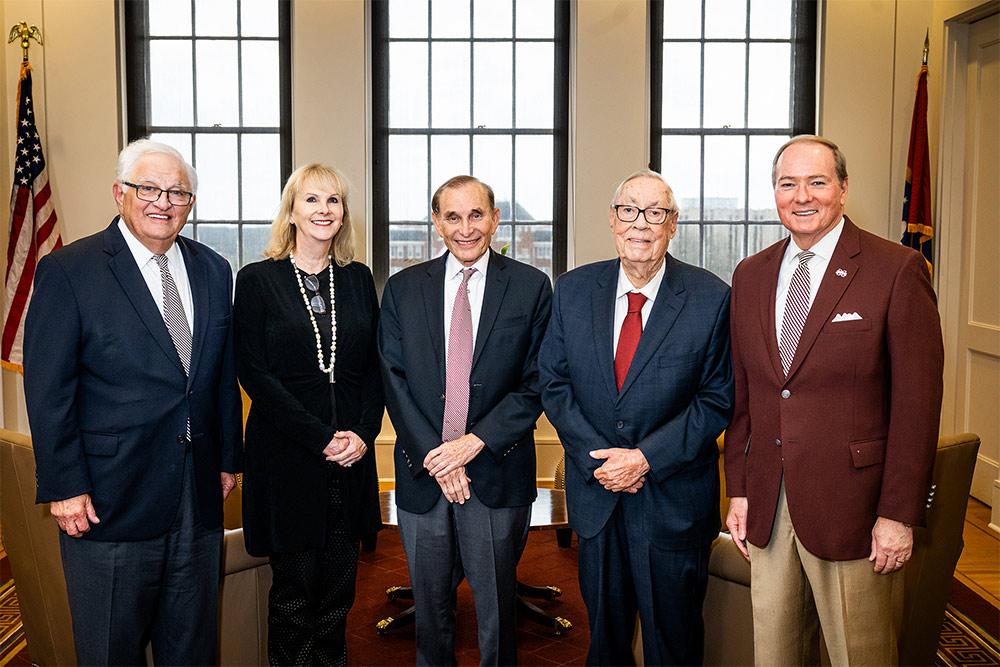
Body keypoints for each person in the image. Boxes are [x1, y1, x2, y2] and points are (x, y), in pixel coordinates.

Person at [724, 135, 944, 665]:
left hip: (855, 510)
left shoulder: (897, 270)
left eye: (817, 182)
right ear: (774, 194)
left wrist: (897, 514)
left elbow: (917, 405)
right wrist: (740, 491)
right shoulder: (750, 275)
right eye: (787, 183)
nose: (802, 196)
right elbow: (747, 397)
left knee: (859, 654)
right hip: (770, 505)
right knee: (775, 653)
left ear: (843, 189)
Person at [22, 139, 242, 665]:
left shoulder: (213, 269)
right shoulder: (70, 271)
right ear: (120, 192)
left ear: (190, 204)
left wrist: (228, 459)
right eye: (149, 188)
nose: (162, 202)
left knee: (191, 648)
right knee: (110, 650)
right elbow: (49, 390)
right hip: (107, 499)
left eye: (178, 193)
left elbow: (219, 376)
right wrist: (66, 485)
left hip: (197, 494)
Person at [538, 169, 732, 665]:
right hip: (597, 495)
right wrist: (601, 459)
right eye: (629, 210)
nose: (640, 224)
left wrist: (644, 459)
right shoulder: (574, 289)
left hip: (672, 500)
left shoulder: (711, 298)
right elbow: (555, 384)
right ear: (612, 219)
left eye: (656, 213)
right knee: (604, 638)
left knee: (675, 640)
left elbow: (716, 399)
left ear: (673, 225)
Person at [378, 175, 552, 665]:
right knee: (430, 614)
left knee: (498, 612)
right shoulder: (404, 289)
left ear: (495, 219)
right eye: (452, 217)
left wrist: (471, 445)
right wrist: (441, 458)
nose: (465, 228)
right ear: (436, 222)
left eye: (476, 215)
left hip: (496, 472)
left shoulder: (531, 286)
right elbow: (393, 380)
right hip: (423, 476)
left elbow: (537, 382)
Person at [234, 164, 383, 666]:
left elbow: (373, 371)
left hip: (351, 461)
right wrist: (321, 437)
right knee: (295, 596)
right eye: (312, 200)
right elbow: (255, 374)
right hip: (287, 460)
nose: (324, 210)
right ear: (291, 210)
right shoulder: (257, 280)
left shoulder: (358, 279)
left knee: (339, 596)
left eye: (334, 201)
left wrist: (362, 434)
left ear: (343, 214)